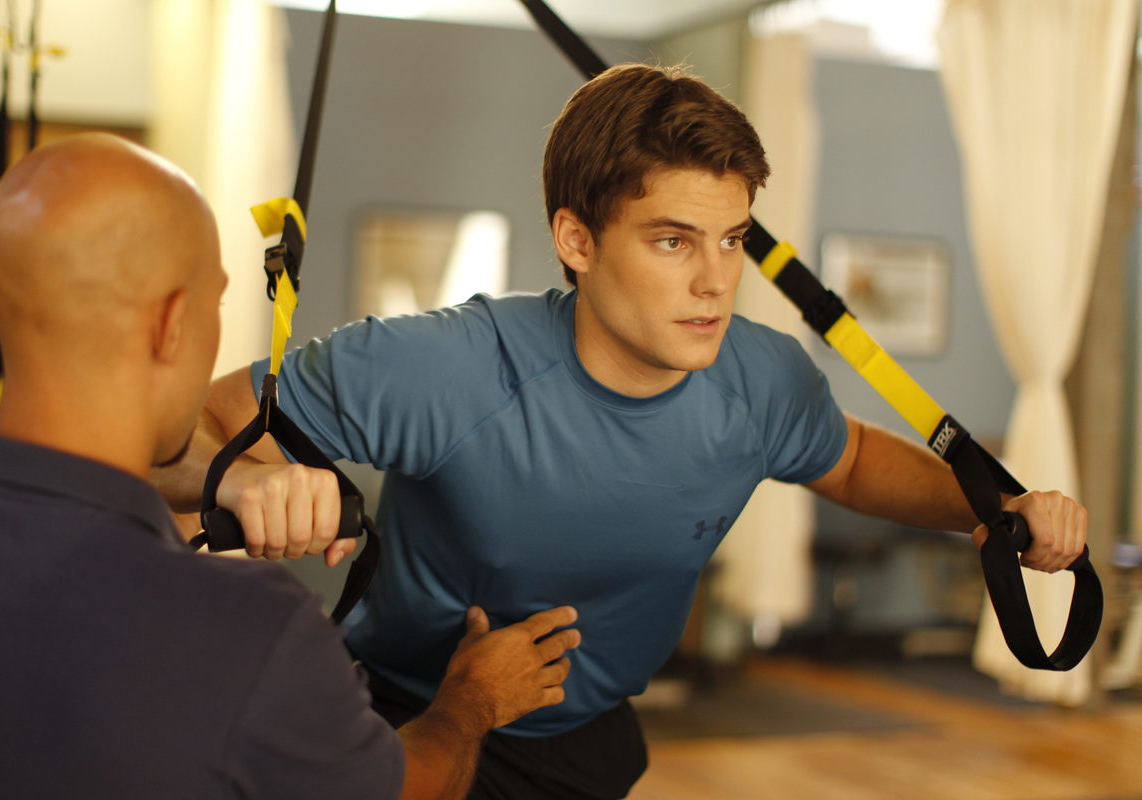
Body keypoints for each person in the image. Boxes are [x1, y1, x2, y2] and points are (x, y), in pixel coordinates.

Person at [155, 64, 1088, 800]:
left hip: (587, 736)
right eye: (673, 240)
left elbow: (846, 462)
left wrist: (991, 509)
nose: (716, 281)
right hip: (402, 714)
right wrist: (238, 483)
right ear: (577, 239)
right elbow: (183, 427)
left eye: (732, 240)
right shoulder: (445, 368)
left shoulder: (762, 379)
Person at [0, 133, 581, 800]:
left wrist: (238, 480)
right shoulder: (248, 636)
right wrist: (469, 704)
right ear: (171, 325)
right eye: (215, 303)